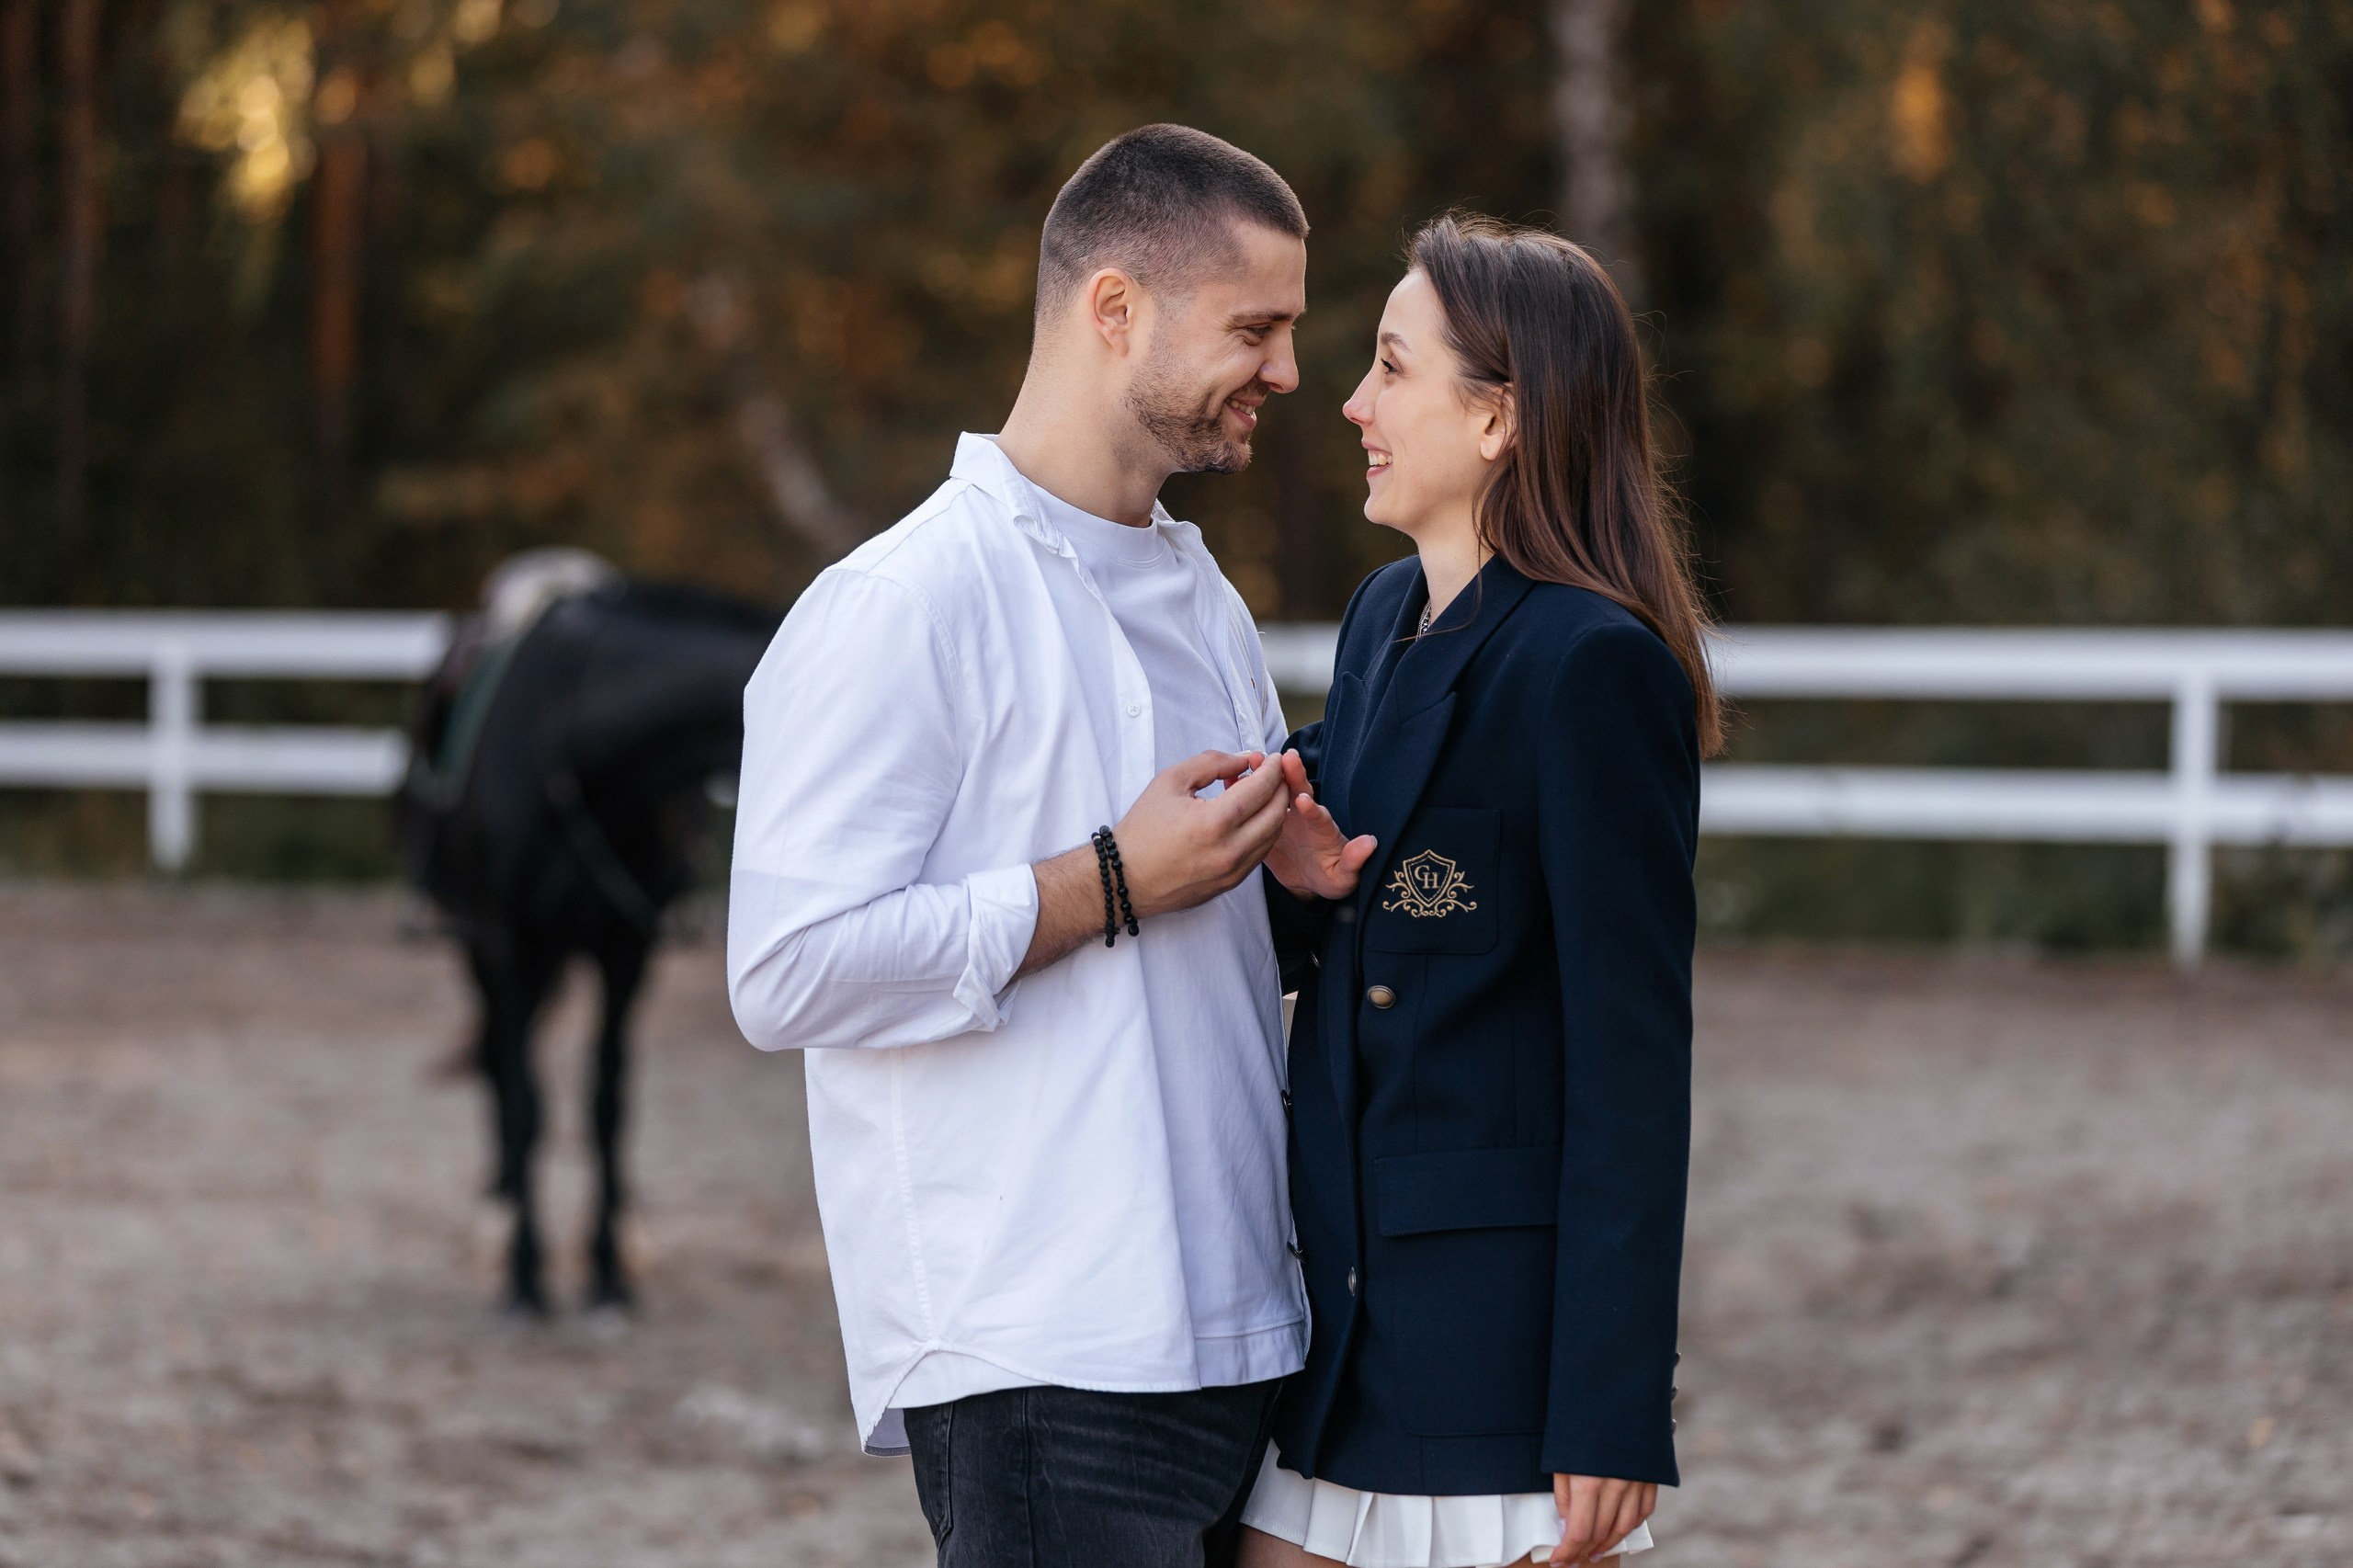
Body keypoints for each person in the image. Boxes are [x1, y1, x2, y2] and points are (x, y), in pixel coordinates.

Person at [727, 125, 1323, 1567]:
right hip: (1040, 1349)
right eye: (1259, 328)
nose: (1291, 374)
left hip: (1251, 1329)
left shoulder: (1208, 602)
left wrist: (1302, 895)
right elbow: (787, 969)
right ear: (1115, 310)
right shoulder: (899, 601)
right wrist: (1106, 880)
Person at [1241, 214, 1722, 1568]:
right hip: (1335, 1335)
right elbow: (1345, 929)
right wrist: (1283, 873)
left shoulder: (1592, 667)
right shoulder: (1380, 622)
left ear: (1500, 418)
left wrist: (1614, 1408)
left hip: (1499, 1373)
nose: (1353, 403)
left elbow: (1632, 1060)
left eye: (1392, 368)